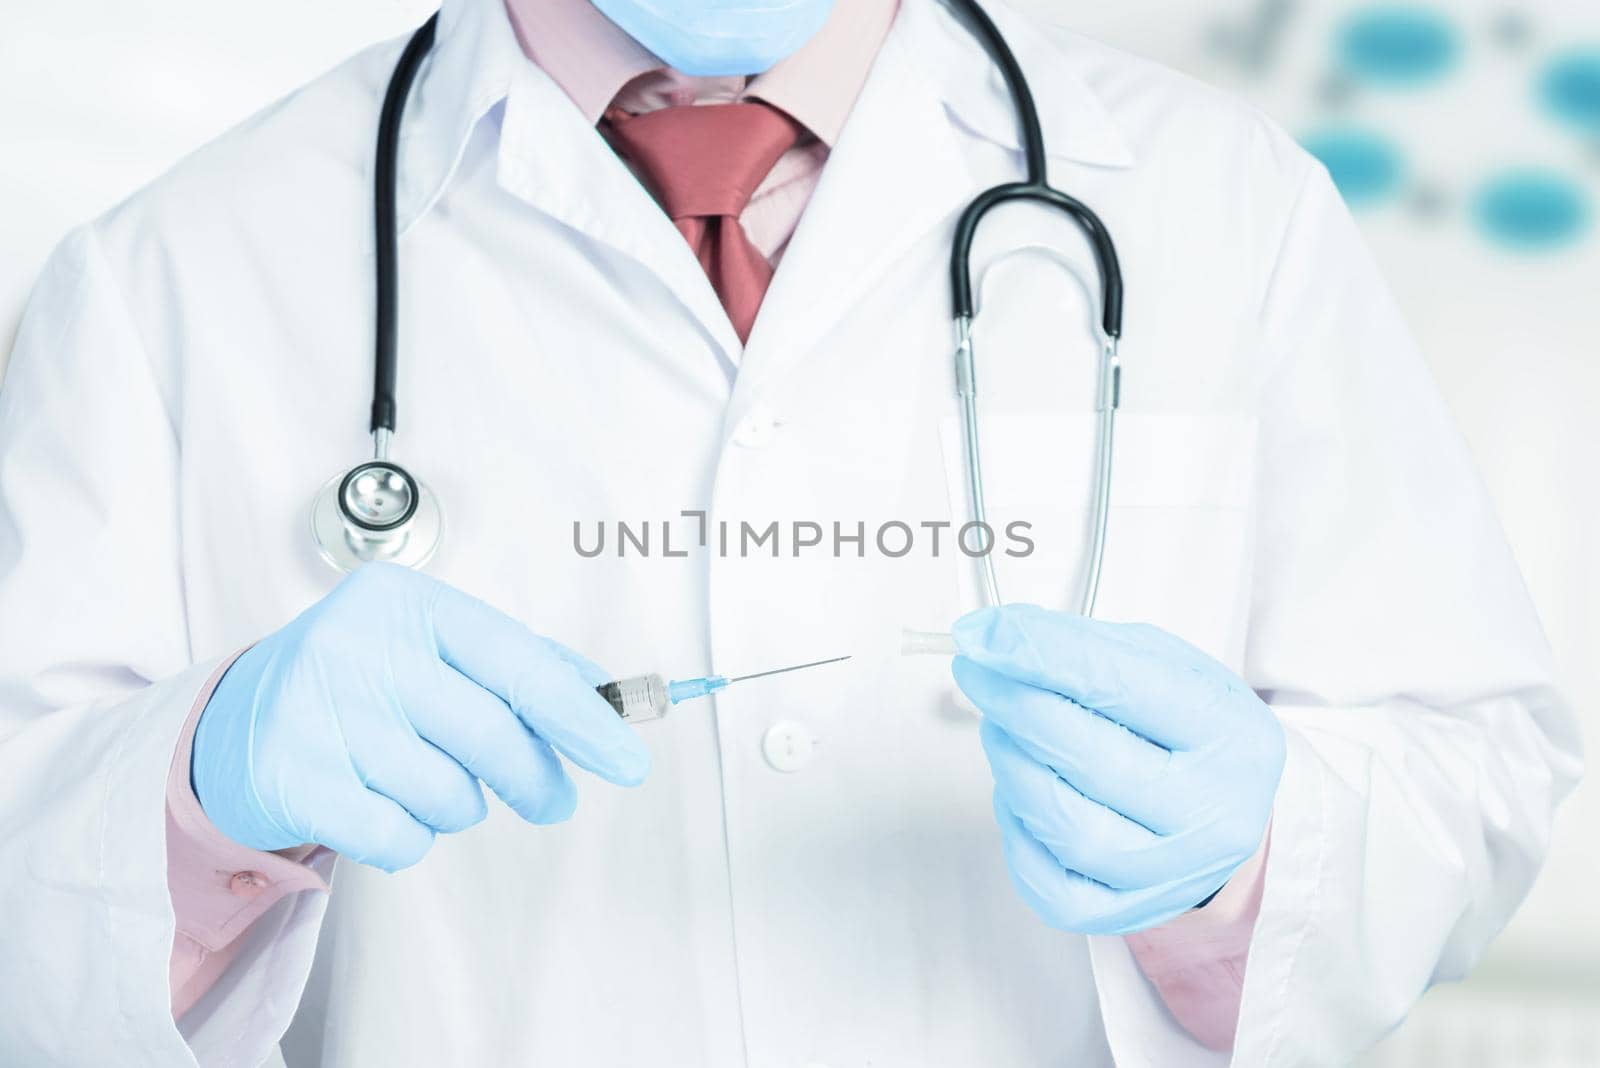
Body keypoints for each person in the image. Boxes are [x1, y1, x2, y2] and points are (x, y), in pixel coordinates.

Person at [0, 0, 1580, 1064]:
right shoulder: (172, 276)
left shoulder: (1218, 206)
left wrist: (1247, 865)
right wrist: (198, 796)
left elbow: (1477, 768)